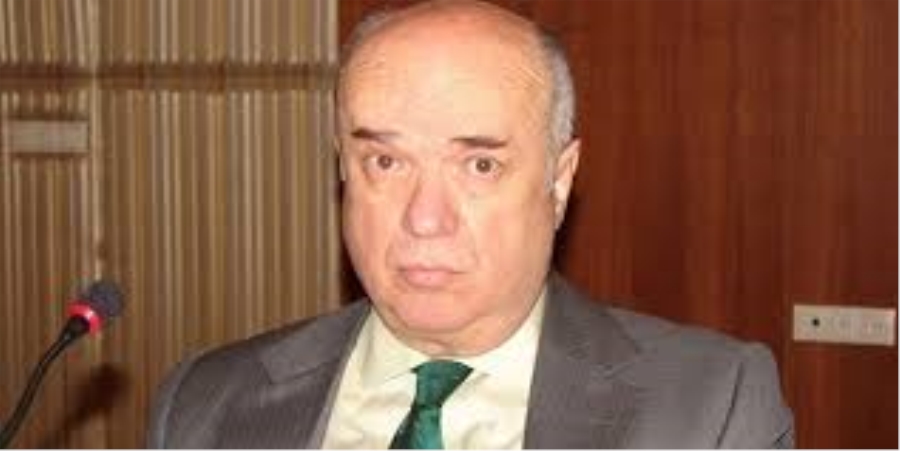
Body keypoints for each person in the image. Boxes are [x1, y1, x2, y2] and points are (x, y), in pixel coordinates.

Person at [147, 0, 794, 448]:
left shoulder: (709, 406)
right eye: (386, 161)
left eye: (480, 164)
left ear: (559, 179)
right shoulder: (204, 402)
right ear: (343, 167)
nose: (425, 218)